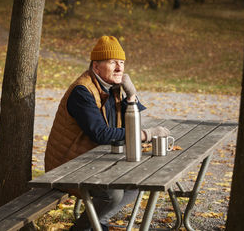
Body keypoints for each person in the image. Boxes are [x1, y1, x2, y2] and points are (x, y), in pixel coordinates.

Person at [44, 36, 170, 231]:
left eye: (122, 63)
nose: (120, 68)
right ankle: (84, 228)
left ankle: (97, 223)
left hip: (92, 158)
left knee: (135, 184)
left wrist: (131, 96)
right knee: (114, 195)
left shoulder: (113, 88)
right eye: (113, 63)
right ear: (96, 67)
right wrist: (146, 134)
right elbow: (101, 134)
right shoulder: (82, 91)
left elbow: (130, 124)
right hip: (68, 165)